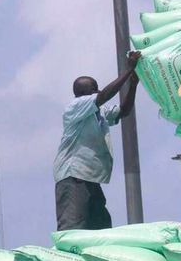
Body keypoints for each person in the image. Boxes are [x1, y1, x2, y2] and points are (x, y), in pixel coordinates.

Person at [54, 52, 141, 231]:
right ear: (84, 95)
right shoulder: (74, 107)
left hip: (89, 177)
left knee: (100, 226)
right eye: (95, 89)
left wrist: (133, 85)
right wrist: (128, 70)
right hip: (73, 176)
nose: (99, 91)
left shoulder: (98, 113)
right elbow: (105, 96)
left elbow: (123, 111)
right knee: (73, 228)